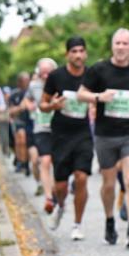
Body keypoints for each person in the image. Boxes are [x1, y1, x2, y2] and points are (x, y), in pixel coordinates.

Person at [78, 28, 129, 249]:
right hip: (105, 135)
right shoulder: (99, 69)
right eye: (117, 43)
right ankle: (109, 220)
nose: (120, 47)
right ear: (112, 46)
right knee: (108, 184)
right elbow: (81, 94)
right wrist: (99, 97)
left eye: (125, 44)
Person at [41, 37, 92, 241]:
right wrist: (53, 105)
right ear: (67, 55)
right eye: (73, 51)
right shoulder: (56, 76)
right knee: (60, 186)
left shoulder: (92, 75)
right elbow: (42, 104)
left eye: (81, 50)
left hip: (83, 134)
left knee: (81, 177)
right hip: (61, 134)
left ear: (85, 53)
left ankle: (77, 224)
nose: (78, 55)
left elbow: (100, 97)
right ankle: (60, 206)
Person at [28, 58, 58, 208]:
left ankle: (54, 190)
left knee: (57, 163)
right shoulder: (33, 86)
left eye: (49, 73)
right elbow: (26, 100)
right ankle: (49, 198)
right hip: (41, 128)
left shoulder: (60, 83)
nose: (46, 76)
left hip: (58, 128)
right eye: (43, 73)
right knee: (45, 161)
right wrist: (31, 106)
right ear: (38, 73)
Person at [7, 72, 32, 175]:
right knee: (20, 140)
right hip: (19, 121)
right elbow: (10, 111)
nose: (25, 83)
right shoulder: (14, 94)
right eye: (23, 81)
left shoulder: (32, 92)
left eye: (27, 80)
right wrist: (20, 108)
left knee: (27, 143)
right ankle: (21, 162)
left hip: (31, 121)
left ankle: (25, 162)